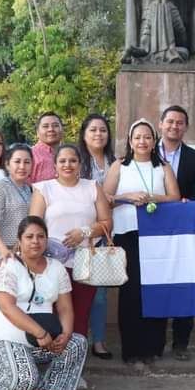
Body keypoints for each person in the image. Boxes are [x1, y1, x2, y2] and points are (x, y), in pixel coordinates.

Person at [0, 216, 88, 390]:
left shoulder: (57, 268)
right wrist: (39, 332)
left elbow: (65, 307)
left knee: (76, 343)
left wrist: (65, 334)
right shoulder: (7, 267)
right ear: (19, 240)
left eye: (41, 236)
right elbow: (7, 308)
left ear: (46, 240)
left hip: (41, 341)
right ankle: (4, 377)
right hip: (6, 339)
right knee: (26, 381)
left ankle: (49, 388)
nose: (35, 241)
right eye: (29, 236)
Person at [103, 119, 181, 364]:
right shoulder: (120, 166)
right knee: (131, 293)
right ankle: (132, 349)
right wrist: (126, 197)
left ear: (154, 140)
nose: (142, 141)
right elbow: (105, 198)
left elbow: (175, 197)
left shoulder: (163, 167)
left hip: (156, 237)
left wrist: (153, 197)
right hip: (127, 234)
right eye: (137, 137)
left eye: (147, 137)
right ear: (129, 141)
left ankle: (152, 347)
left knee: (154, 291)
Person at [29, 144, 113, 339]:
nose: (68, 165)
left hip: (85, 262)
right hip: (50, 263)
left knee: (81, 314)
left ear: (80, 163)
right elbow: (33, 226)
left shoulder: (92, 187)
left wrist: (84, 232)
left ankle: (75, 360)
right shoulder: (44, 189)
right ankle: (53, 359)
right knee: (51, 313)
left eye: (73, 160)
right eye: (63, 161)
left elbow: (107, 223)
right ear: (55, 164)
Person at [158, 105, 195, 360]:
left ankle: (180, 344)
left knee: (185, 284)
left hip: (185, 231)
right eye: (170, 122)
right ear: (161, 124)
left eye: (179, 123)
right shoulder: (146, 152)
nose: (174, 126)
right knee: (156, 282)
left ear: (185, 127)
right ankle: (154, 341)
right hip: (154, 230)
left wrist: (191, 202)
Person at [77, 114, 116, 360]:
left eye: (103, 130)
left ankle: (99, 340)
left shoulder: (116, 161)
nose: (98, 134)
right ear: (84, 134)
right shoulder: (76, 160)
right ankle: (76, 340)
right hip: (79, 233)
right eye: (93, 130)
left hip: (106, 233)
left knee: (100, 295)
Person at [0, 144, 34, 276]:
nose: (22, 166)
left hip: (27, 255)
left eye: (27, 162)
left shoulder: (31, 190)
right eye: (17, 161)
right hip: (3, 254)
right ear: (7, 164)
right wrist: (4, 252)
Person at [30, 112, 63, 184]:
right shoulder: (30, 155)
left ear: (62, 130)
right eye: (45, 126)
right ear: (37, 132)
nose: (51, 129)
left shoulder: (70, 154)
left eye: (55, 125)